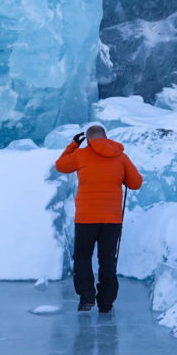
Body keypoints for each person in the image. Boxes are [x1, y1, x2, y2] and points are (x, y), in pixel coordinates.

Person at [55, 124, 143, 313]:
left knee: (82, 258)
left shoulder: (81, 155)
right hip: (112, 219)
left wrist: (73, 146)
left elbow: (60, 166)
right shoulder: (120, 156)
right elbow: (135, 183)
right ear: (106, 137)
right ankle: (106, 302)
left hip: (86, 218)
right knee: (108, 260)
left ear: (87, 139)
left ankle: (87, 298)